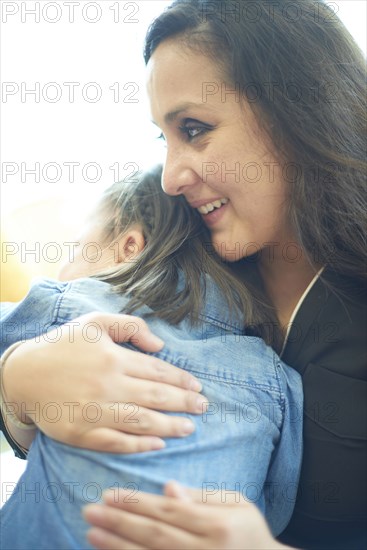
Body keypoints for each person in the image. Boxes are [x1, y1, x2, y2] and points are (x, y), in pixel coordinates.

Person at [0, 0, 365, 548]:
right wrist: (17, 381)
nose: (171, 176)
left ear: (297, 113)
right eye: (163, 138)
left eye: (195, 129)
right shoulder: (179, 232)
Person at [0, 167, 302, 549]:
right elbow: (277, 506)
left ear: (128, 248)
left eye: (77, 248)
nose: (65, 268)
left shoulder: (75, 305)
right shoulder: (277, 379)